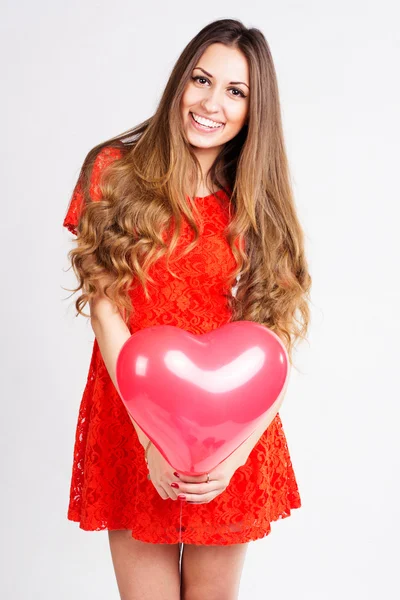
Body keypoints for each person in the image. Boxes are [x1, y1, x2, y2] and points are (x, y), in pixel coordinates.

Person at [62, 18, 311, 600]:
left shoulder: (254, 202)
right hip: (133, 418)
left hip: (226, 429)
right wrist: (152, 440)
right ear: (180, 82)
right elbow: (105, 310)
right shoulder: (113, 172)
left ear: (255, 111)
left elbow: (269, 344)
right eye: (201, 79)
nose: (210, 102)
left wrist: (234, 456)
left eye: (235, 91)